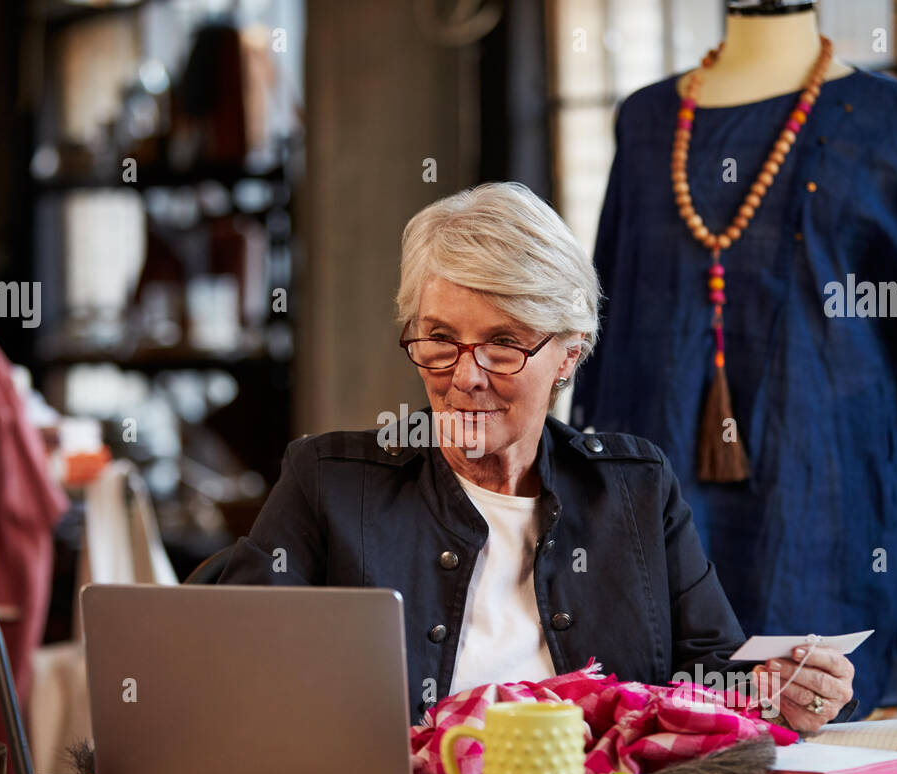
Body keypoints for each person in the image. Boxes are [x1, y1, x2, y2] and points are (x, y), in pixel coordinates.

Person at [218, 182, 855, 732]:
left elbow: (714, 677)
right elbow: (224, 654)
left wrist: (778, 687)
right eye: (440, 338)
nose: (465, 376)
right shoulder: (330, 482)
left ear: (569, 357)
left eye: (503, 344)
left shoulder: (634, 490)